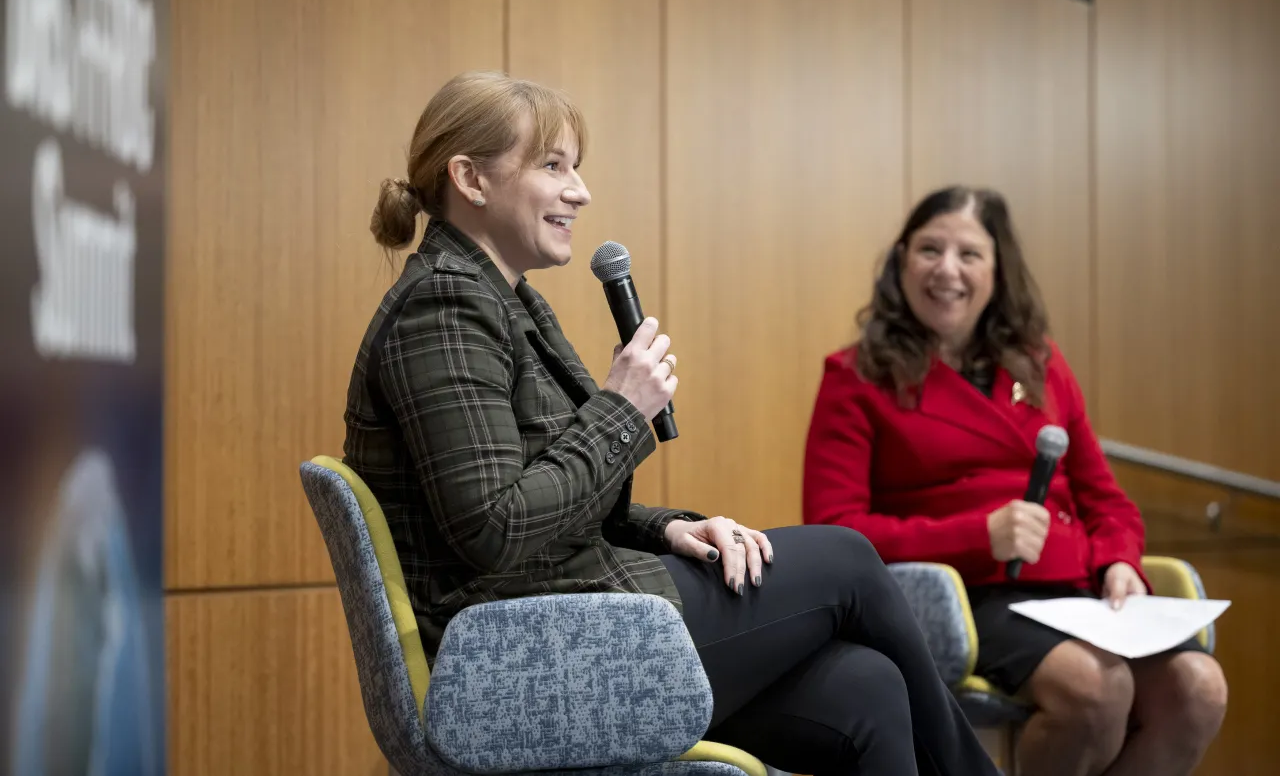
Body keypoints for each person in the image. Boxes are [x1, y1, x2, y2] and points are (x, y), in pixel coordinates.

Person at [342, 71, 999, 776]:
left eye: (577, 167)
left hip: (567, 618)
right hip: (519, 657)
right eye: (553, 166)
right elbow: (494, 528)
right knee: (846, 560)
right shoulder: (443, 305)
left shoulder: (505, 300)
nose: (580, 191)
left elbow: (546, 496)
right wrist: (623, 408)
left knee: (870, 688)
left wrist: (669, 529)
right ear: (470, 178)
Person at [802, 185, 1229, 776]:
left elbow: (1106, 499)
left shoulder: (1042, 364)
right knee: (1094, 688)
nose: (947, 269)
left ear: (998, 271)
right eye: (929, 249)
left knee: (1199, 687)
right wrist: (978, 535)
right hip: (972, 596)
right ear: (901, 261)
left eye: (969, 254)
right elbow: (834, 533)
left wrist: (1119, 561)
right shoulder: (855, 377)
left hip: (1078, 595)